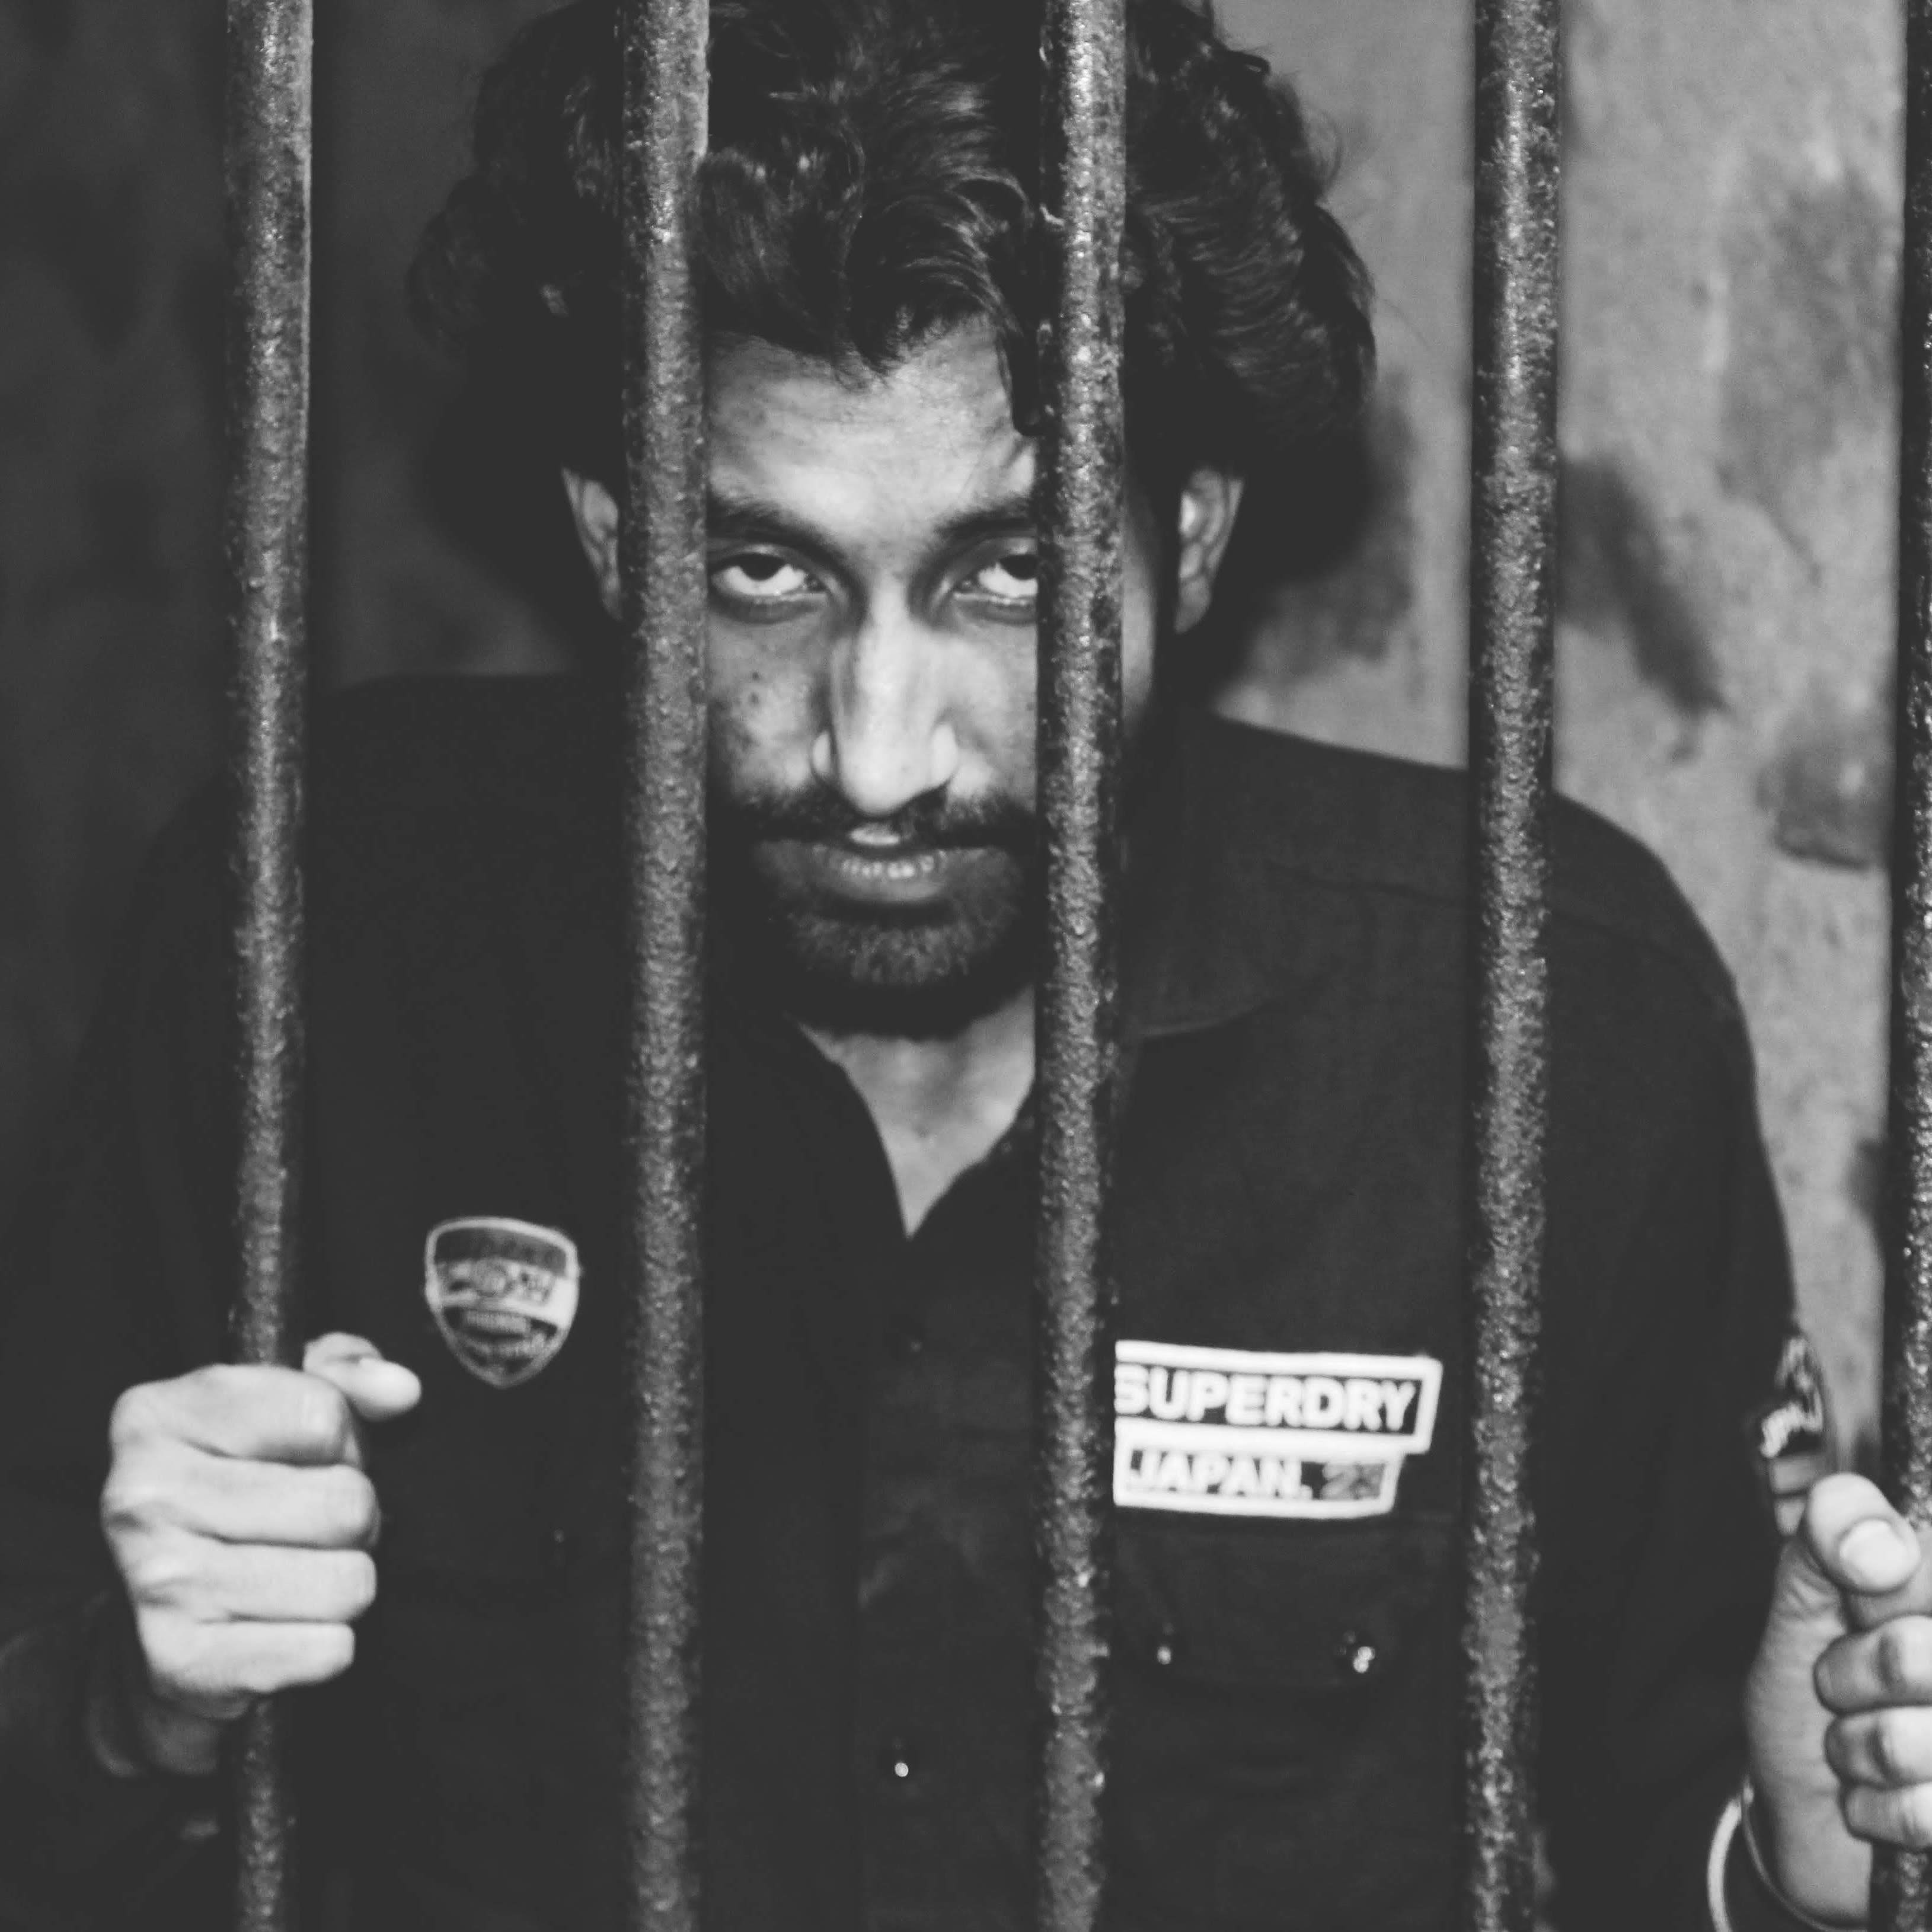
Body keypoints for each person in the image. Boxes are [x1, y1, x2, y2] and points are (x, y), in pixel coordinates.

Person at [0, 1, 1928, 1926]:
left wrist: (1816, 1870)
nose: (876, 751)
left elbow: (1686, 1830)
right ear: (609, 540)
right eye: (763, 572)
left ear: (1191, 535)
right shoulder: (323, 935)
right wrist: (121, 1712)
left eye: (1009, 574)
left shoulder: (1534, 1020)